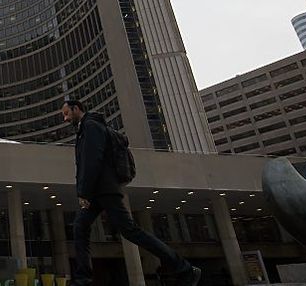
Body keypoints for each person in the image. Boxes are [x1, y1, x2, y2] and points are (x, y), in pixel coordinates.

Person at [61, 99, 201, 286]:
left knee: (130, 231)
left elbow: (91, 161)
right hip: (97, 191)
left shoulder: (91, 127)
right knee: (80, 227)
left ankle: (184, 269)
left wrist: (84, 192)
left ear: (76, 109)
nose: (65, 118)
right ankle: (83, 279)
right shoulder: (86, 128)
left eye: (66, 113)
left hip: (104, 190)